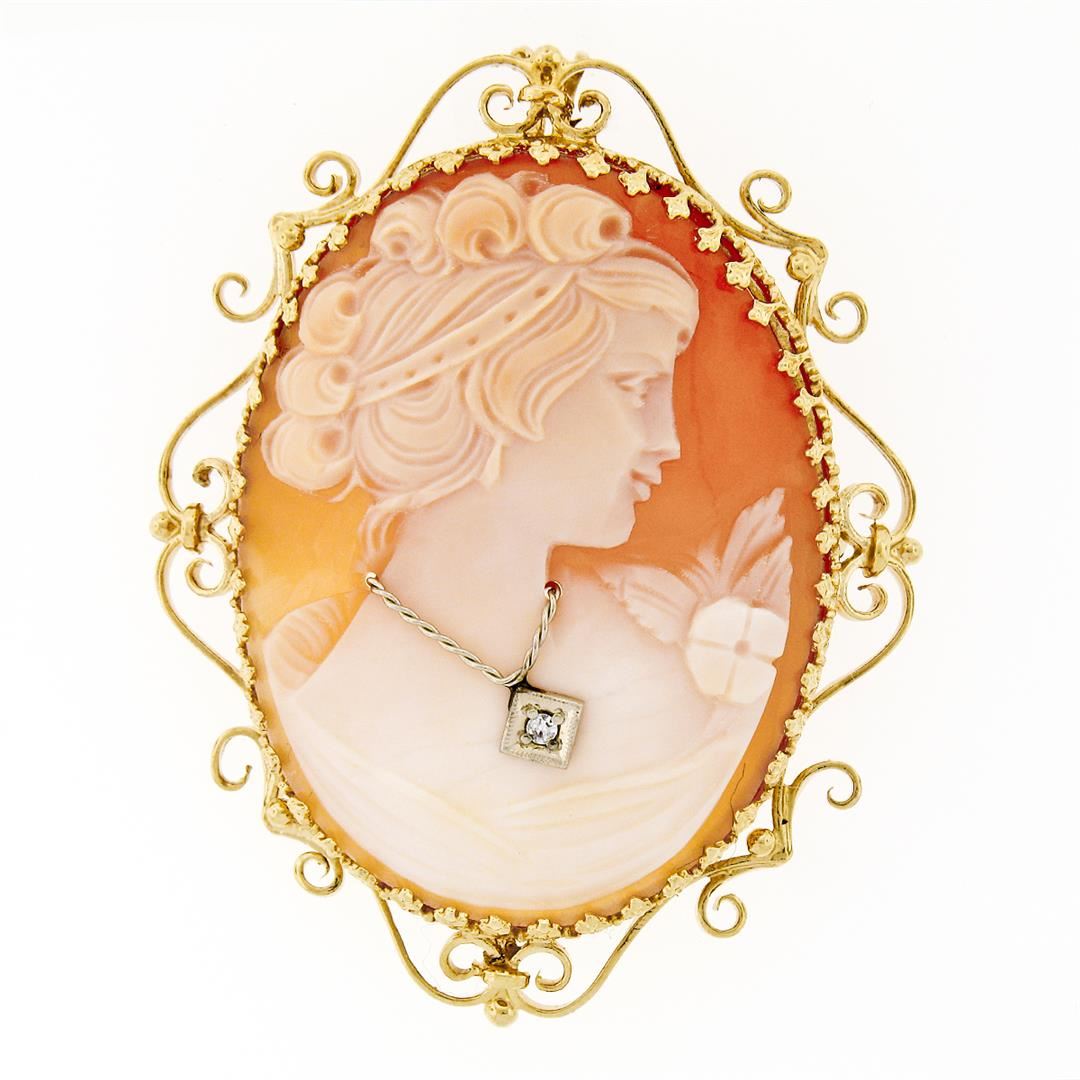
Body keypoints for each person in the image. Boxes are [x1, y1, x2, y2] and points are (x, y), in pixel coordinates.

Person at [258, 171, 792, 915]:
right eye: (634, 388)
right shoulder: (332, 717)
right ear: (496, 395)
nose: (668, 442)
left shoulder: (669, 668)